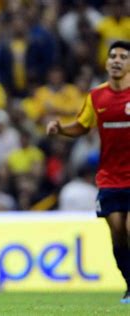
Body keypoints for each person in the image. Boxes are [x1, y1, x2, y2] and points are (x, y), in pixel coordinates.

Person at [47, 40, 130, 304]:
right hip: (109, 178)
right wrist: (61, 129)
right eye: (112, 56)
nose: (116, 60)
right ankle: (129, 283)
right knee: (117, 232)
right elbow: (82, 126)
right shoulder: (97, 96)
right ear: (106, 63)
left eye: (123, 57)